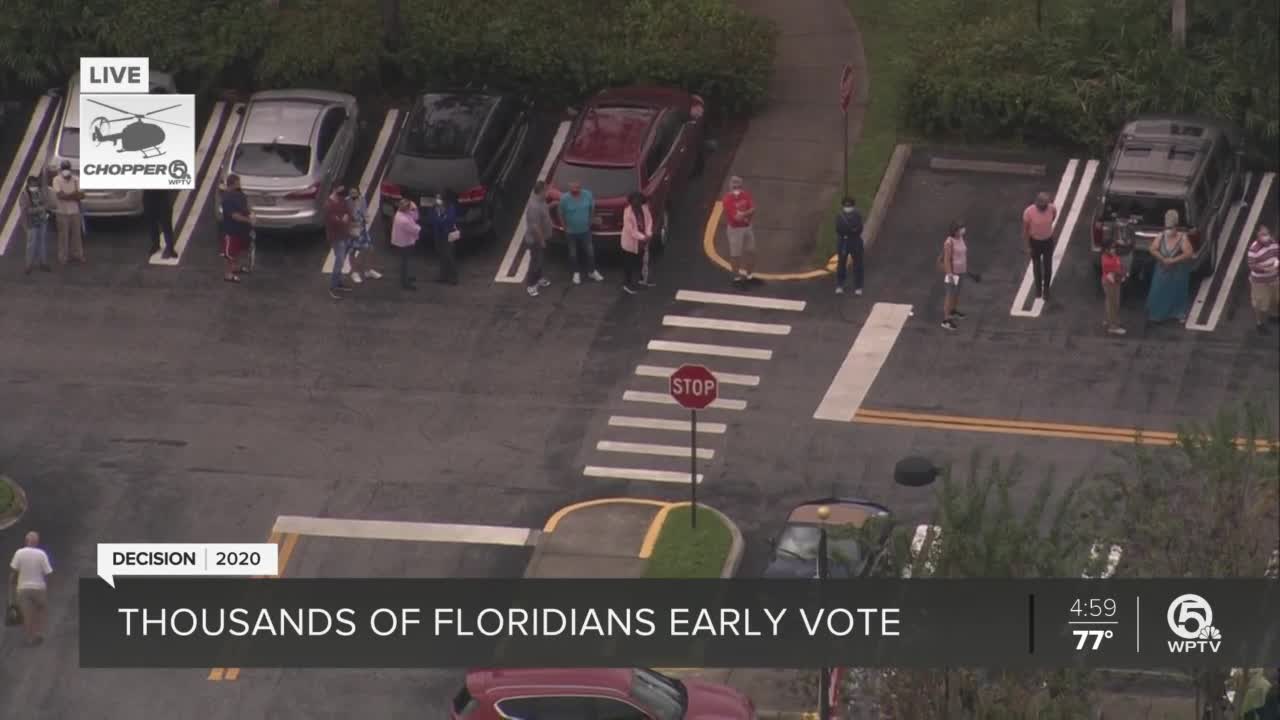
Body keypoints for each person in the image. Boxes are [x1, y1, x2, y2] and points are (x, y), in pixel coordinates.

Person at [1145, 208, 1194, 323]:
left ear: (1176, 227)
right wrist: (1162, 258)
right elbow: (1152, 249)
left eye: (1171, 228)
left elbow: (1189, 253)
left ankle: (1177, 313)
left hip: (1177, 272)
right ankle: (1157, 314)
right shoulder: (1161, 236)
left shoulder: (1182, 238)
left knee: (1177, 292)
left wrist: (1174, 260)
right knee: (1159, 290)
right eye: (1167, 228)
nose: (1169, 231)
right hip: (1162, 271)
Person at [9, 531, 52, 646]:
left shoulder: (19, 553)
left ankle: (29, 638)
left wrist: (11, 586)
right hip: (39, 588)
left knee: (27, 614)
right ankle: (39, 632)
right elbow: (48, 572)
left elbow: (13, 572)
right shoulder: (41, 554)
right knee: (40, 610)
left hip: (23, 589)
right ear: (37, 542)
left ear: (26, 541)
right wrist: (46, 585)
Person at [558, 180, 603, 285]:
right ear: (569, 188)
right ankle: (576, 273)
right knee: (573, 253)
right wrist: (564, 227)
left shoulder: (588, 194)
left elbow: (592, 207)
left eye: (577, 188)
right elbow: (560, 213)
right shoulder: (564, 198)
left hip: (585, 231)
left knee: (590, 252)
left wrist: (590, 220)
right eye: (573, 189)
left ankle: (592, 271)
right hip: (571, 232)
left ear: (580, 187)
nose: (575, 190)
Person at [1023, 191, 1058, 300]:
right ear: (1037, 203)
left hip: (1048, 241)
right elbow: (1026, 230)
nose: (1045, 207)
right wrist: (1028, 246)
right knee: (1037, 266)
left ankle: (1046, 289)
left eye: (1046, 205)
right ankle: (1038, 289)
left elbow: (1053, 217)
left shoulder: (1052, 208)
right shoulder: (1029, 212)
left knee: (1048, 267)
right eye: (1043, 205)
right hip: (1035, 242)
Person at [723, 175, 757, 285]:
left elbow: (753, 209)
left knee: (751, 251)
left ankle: (749, 275)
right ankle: (736, 276)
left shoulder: (745, 195)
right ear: (731, 186)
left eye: (738, 185)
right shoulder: (727, 199)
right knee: (736, 254)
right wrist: (747, 214)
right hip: (735, 230)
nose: (736, 187)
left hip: (747, 227)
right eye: (734, 185)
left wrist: (744, 214)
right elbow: (736, 218)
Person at [345, 186, 382, 284]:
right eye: (351, 193)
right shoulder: (346, 202)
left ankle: (368, 270)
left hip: (362, 229)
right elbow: (345, 217)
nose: (353, 194)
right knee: (352, 252)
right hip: (352, 230)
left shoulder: (362, 199)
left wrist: (366, 218)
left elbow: (364, 211)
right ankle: (354, 272)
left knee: (369, 249)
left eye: (355, 192)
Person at [1246, 225, 1279, 334]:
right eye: (1263, 234)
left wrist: (1277, 264)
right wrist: (1266, 270)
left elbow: (1277, 254)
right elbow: (1252, 266)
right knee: (1260, 304)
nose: (1266, 236)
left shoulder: (1273, 243)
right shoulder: (1253, 249)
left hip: (1274, 278)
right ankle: (1260, 323)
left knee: (1276, 299)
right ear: (1257, 236)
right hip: (1260, 282)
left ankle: (1274, 315)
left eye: (1267, 233)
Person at [221, 175, 253, 284]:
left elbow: (246, 205)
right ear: (234, 183)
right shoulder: (227, 199)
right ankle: (228, 274)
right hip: (231, 230)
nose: (240, 184)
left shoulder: (240, 194)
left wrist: (251, 213)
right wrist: (248, 220)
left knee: (238, 250)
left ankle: (236, 268)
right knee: (230, 253)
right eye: (238, 182)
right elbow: (234, 215)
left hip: (241, 230)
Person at [52, 160, 85, 264]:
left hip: (75, 211)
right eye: (64, 168)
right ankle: (63, 257)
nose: (66, 170)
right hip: (62, 212)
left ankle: (78, 255)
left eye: (67, 168)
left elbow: (82, 195)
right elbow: (60, 196)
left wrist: (69, 195)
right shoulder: (56, 180)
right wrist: (74, 195)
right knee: (63, 236)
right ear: (61, 169)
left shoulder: (76, 179)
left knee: (77, 235)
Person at [524, 181, 554, 297]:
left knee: (540, 259)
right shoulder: (534, 206)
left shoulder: (541, 201)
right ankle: (531, 284)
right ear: (541, 191)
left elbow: (545, 210)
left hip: (542, 238)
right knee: (535, 261)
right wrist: (541, 240)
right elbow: (535, 227)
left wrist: (553, 204)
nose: (548, 192)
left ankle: (540, 278)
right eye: (546, 190)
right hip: (535, 241)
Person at [17, 174, 52, 274]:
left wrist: (45, 210)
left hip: (42, 221)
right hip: (31, 222)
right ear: (28, 184)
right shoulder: (24, 195)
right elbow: (25, 210)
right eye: (33, 185)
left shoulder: (40, 192)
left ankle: (43, 263)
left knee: (42, 243)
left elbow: (46, 203)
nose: (34, 186)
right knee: (31, 244)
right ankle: (28, 265)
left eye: (36, 184)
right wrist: (40, 209)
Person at [620, 191, 653, 295]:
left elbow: (649, 221)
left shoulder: (644, 208)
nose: (636, 203)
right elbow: (631, 230)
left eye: (638, 201)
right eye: (634, 201)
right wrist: (643, 237)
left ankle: (643, 279)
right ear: (631, 202)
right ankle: (627, 284)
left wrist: (648, 233)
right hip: (630, 243)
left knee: (643, 261)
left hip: (643, 241)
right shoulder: (627, 213)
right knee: (629, 264)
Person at [324, 185, 353, 299]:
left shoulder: (342, 200)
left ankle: (339, 283)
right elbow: (333, 220)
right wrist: (343, 219)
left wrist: (346, 217)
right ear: (335, 189)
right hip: (336, 237)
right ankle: (332, 286)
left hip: (344, 234)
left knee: (341, 259)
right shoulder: (329, 205)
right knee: (339, 260)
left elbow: (348, 211)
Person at [940, 221, 969, 331]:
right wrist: (950, 274)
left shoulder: (960, 238)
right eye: (960, 229)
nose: (963, 230)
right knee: (949, 295)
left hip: (961, 271)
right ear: (955, 231)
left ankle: (953, 310)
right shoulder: (949, 242)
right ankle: (946, 320)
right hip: (953, 273)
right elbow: (947, 259)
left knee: (957, 293)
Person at [834, 196, 864, 295]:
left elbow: (859, 228)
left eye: (849, 206)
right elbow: (838, 229)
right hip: (844, 241)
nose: (848, 207)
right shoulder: (840, 216)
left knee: (858, 264)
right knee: (841, 264)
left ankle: (858, 286)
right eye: (846, 206)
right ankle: (840, 285)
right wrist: (851, 231)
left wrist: (848, 232)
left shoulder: (857, 215)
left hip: (854, 241)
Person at [390, 198, 421, 290]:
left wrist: (414, 208)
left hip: (405, 241)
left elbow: (415, 217)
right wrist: (419, 227)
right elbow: (415, 229)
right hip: (404, 243)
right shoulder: (403, 220)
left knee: (405, 262)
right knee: (404, 263)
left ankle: (406, 277)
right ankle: (405, 282)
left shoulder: (401, 213)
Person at [430, 190, 460, 285]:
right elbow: (432, 218)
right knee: (441, 256)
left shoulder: (450, 208)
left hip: (447, 236)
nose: (437, 200)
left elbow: (449, 220)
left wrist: (440, 218)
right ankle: (443, 276)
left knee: (449, 256)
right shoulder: (434, 208)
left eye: (439, 198)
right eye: (437, 198)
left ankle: (454, 278)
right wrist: (440, 219)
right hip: (438, 235)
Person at [1099, 239, 1126, 336]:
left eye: (1114, 248)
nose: (1114, 250)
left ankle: (1110, 320)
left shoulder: (1107, 256)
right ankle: (1113, 327)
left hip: (1110, 281)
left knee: (1110, 302)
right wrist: (1124, 274)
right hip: (1111, 283)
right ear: (1106, 250)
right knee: (1113, 304)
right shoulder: (1108, 261)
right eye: (1111, 248)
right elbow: (1117, 271)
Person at [144, 189, 177, 259]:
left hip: (162, 195)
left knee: (166, 223)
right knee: (152, 222)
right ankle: (155, 245)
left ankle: (170, 247)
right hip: (149, 195)